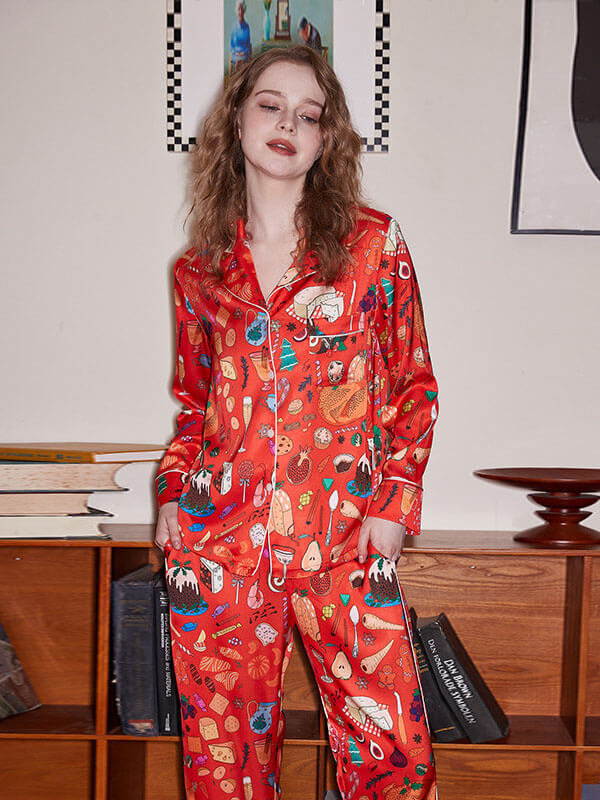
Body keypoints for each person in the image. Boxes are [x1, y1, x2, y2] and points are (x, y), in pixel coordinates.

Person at [155, 45, 438, 800]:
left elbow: (412, 386)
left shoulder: (373, 246)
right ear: (236, 120)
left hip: (347, 537)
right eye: (270, 105)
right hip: (221, 546)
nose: (287, 124)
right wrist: (174, 494)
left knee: (392, 756)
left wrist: (394, 506)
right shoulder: (199, 271)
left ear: (325, 140)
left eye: (308, 116)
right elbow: (195, 405)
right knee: (226, 766)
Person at [230, 1, 251, 72]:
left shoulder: (247, 26)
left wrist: (243, 52)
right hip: (235, 54)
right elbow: (231, 45)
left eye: (242, 9)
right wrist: (235, 52)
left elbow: (248, 44)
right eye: (239, 9)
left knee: (241, 62)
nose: (240, 11)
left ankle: (240, 77)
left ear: (244, 11)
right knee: (238, 62)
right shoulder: (234, 26)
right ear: (236, 11)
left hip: (244, 54)